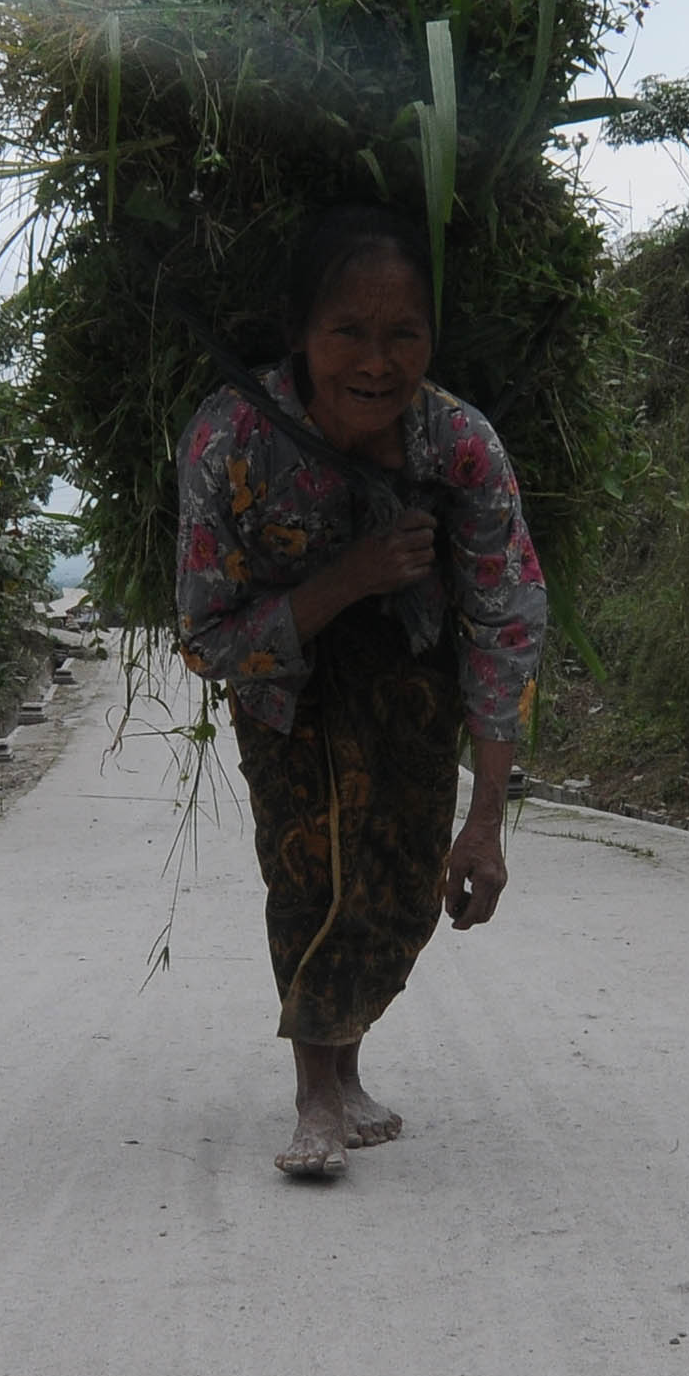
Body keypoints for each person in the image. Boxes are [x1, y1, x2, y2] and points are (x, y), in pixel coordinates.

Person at [175, 205, 547, 1182]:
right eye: (348, 331)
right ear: (299, 331)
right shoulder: (229, 442)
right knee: (312, 867)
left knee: (394, 881)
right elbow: (207, 638)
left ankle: (346, 1069)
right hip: (284, 689)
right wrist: (348, 578)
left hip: (415, 686)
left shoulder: (459, 448)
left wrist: (485, 820)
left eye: (403, 334)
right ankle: (313, 1093)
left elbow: (507, 625)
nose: (377, 361)